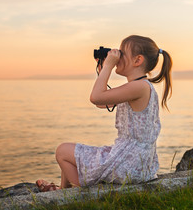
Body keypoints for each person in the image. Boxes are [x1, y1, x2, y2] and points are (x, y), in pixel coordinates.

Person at [36, 35, 172, 191]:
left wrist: (108, 66)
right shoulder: (138, 86)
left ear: (137, 60)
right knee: (74, 153)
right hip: (136, 163)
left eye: (122, 53)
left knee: (62, 151)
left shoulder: (139, 87)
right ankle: (61, 189)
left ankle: (78, 192)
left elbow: (95, 97)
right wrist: (103, 70)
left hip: (128, 163)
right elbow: (103, 103)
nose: (117, 57)